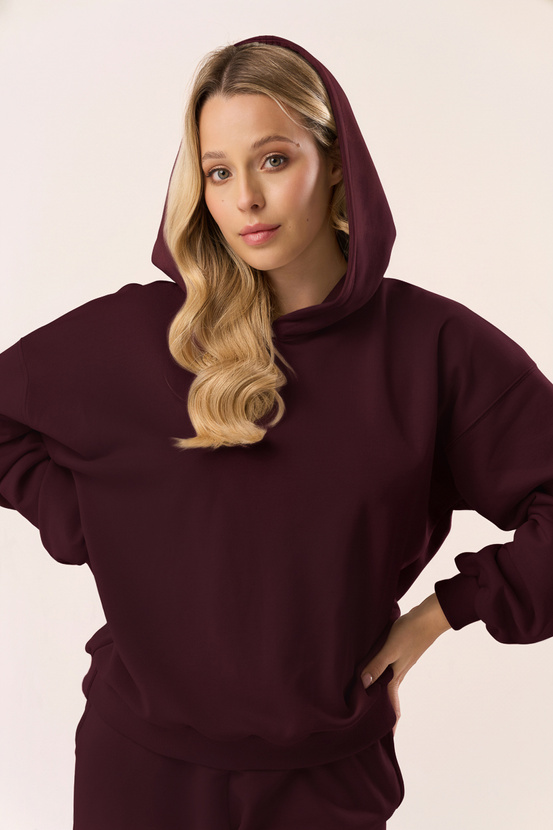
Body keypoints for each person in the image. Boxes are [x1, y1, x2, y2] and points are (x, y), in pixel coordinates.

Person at [1, 33, 552, 830]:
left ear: (335, 163)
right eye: (218, 172)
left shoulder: (432, 348)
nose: (245, 200)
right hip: (140, 772)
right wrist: (91, 519)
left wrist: (443, 612)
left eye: (272, 160)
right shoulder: (131, 337)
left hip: (327, 780)